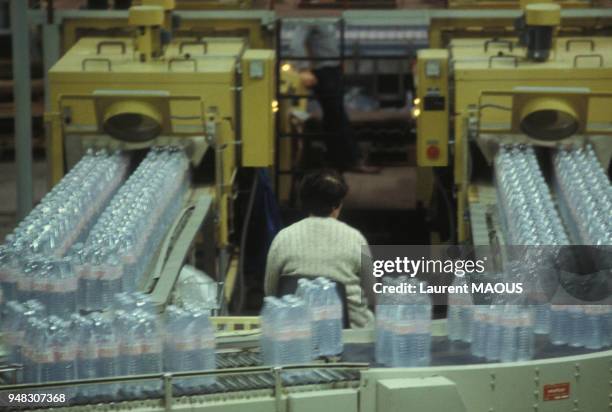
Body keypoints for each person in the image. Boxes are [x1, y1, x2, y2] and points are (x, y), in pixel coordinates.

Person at [264, 169, 375, 328]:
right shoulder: (355, 238)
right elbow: (372, 295)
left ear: (304, 201)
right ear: (337, 205)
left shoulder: (283, 238)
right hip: (349, 336)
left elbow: (271, 293)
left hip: (293, 335)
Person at [290, 22, 378, 173]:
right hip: (324, 71)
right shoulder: (310, 18)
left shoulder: (326, 15)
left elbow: (327, 43)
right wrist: (303, 68)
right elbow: (296, 43)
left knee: (334, 116)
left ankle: (338, 160)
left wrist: (337, 61)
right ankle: (350, 159)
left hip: (332, 69)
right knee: (336, 115)